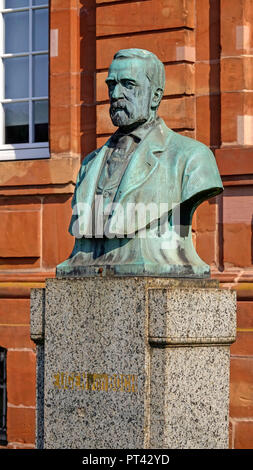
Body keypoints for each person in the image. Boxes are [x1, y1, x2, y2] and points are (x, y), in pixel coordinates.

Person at [57, 49, 223, 277]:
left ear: (155, 96)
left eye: (128, 84)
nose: (116, 94)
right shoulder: (89, 164)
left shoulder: (191, 157)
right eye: (111, 85)